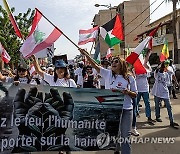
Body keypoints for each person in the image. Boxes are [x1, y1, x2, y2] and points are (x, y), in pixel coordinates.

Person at [79, 48, 137, 154]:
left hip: (127, 110)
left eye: (116, 61)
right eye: (112, 61)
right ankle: (116, 150)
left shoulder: (130, 78)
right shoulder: (108, 74)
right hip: (112, 109)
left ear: (122, 64)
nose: (113, 63)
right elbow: (95, 65)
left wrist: (127, 92)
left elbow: (135, 94)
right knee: (114, 133)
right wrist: (86, 55)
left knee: (125, 136)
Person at [151, 61, 179, 129]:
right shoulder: (157, 73)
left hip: (165, 92)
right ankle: (157, 117)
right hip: (157, 92)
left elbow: (168, 81)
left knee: (169, 106)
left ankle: (172, 121)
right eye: (165, 66)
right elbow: (157, 70)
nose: (166, 67)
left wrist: (175, 82)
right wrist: (161, 64)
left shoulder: (166, 74)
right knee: (157, 105)